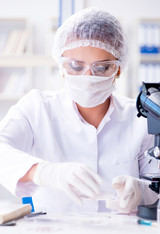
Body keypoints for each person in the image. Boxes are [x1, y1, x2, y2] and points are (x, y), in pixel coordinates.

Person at [0, 7, 158, 213]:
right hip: (54, 232)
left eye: (102, 67)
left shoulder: (141, 118)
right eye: (76, 66)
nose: (88, 76)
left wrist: (140, 192)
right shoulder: (37, 107)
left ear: (119, 68)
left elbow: (155, 185)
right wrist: (44, 172)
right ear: (61, 66)